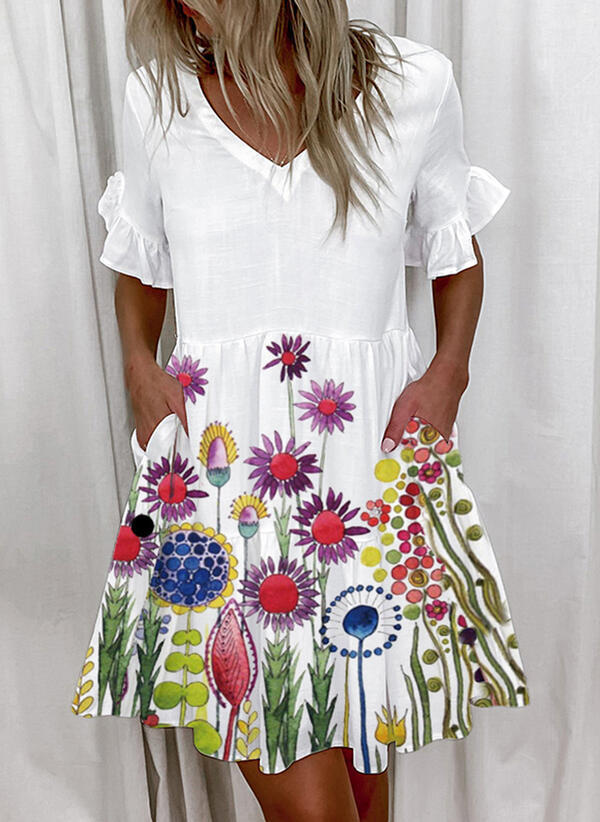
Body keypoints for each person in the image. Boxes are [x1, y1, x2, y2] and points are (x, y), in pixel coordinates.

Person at [70, 2, 530, 821]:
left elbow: (454, 244)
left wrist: (448, 375)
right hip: (215, 475)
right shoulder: (160, 98)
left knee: (361, 783)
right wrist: (140, 367)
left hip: (364, 466)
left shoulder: (411, 85)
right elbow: (143, 259)